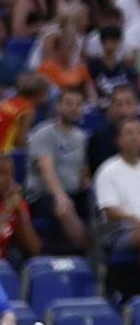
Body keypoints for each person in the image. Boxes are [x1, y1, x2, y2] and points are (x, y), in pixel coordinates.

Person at [92, 114, 140, 290]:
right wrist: (137, 221)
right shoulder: (108, 170)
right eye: (129, 133)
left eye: (139, 133)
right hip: (119, 230)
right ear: (118, 140)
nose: (135, 137)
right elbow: (109, 210)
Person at [24, 83, 91, 252]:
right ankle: (88, 256)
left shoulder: (81, 137)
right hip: (44, 195)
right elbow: (47, 169)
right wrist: (60, 196)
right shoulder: (43, 133)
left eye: (78, 104)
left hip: (75, 192)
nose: (74, 108)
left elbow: (83, 170)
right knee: (65, 208)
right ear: (58, 106)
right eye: (69, 103)